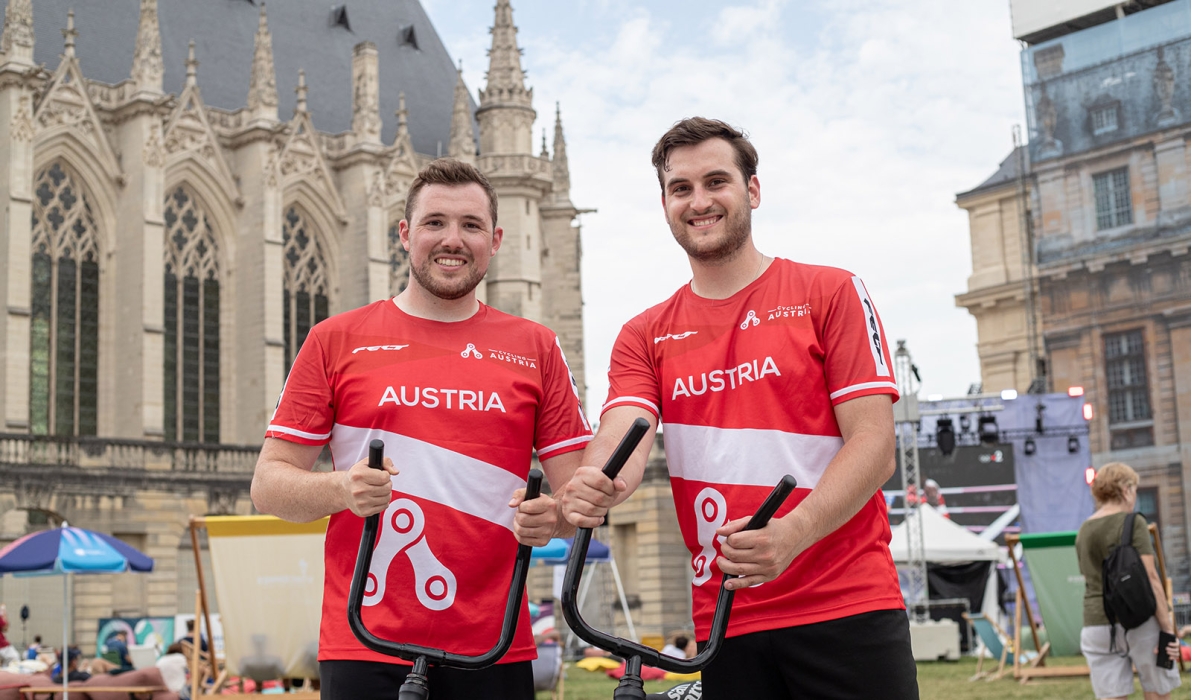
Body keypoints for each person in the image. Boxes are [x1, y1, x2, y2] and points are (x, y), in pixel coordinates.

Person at [560, 117, 918, 699]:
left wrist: (794, 532)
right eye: (681, 188)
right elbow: (623, 431)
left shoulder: (829, 291)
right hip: (726, 621)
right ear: (665, 203)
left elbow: (875, 446)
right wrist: (594, 484)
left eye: (716, 182)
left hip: (846, 604)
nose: (698, 201)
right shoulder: (644, 333)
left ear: (752, 191)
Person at [251, 158, 592, 700]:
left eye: (471, 225)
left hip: (495, 642)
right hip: (364, 643)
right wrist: (342, 488)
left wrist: (554, 515)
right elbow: (268, 487)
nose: (452, 239)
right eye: (435, 222)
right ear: (405, 233)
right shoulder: (334, 339)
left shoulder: (538, 346)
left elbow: (583, 501)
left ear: (496, 239)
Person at [1075, 463, 1180, 700]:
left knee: (1111, 695)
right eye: (1134, 489)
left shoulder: (1084, 529)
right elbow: (1151, 577)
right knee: (1157, 690)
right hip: (1138, 618)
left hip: (1096, 623)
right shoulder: (1133, 523)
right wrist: (1167, 629)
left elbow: (1089, 576)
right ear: (1125, 489)